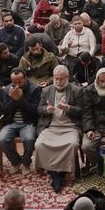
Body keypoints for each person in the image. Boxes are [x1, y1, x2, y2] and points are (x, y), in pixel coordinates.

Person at [34, 65, 85, 193]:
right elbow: (39, 110)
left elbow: (81, 111)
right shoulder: (46, 91)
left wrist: (68, 108)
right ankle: (55, 175)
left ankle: (59, 175)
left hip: (70, 127)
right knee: (39, 144)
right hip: (51, 126)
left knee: (72, 144)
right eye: (56, 79)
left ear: (67, 78)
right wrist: (47, 110)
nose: (58, 82)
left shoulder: (76, 90)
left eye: (61, 79)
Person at [0, 69, 41, 174]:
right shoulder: (6, 90)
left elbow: (35, 111)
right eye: (14, 82)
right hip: (10, 122)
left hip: (28, 122)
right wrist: (12, 99)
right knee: (1, 140)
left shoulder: (34, 89)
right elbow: (5, 112)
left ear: (25, 79)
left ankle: (26, 163)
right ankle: (16, 162)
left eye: (19, 82)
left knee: (29, 139)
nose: (16, 85)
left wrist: (20, 99)